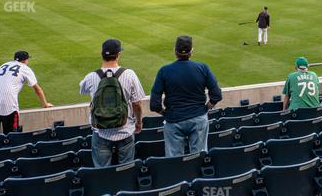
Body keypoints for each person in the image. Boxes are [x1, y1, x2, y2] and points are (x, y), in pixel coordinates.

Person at [150, 36, 222, 157]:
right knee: (199, 158)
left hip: (174, 120)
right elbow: (217, 95)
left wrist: (166, 113)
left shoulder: (164, 71)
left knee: (174, 162)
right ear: (191, 52)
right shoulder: (202, 68)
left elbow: (154, 104)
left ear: (175, 51)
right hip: (198, 117)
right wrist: (206, 108)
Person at [79, 39, 145, 167]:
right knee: (126, 171)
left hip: (101, 132)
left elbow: (82, 89)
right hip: (125, 130)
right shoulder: (129, 74)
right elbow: (137, 103)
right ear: (118, 54)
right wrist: (139, 122)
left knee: (102, 172)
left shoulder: (91, 76)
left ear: (102, 54)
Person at [0, 51, 52, 135]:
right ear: (24, 60)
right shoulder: (25, 68)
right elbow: (37, 89)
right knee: (10, 137)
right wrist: (45, 104)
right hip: (9, 105)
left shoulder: (4, 65)